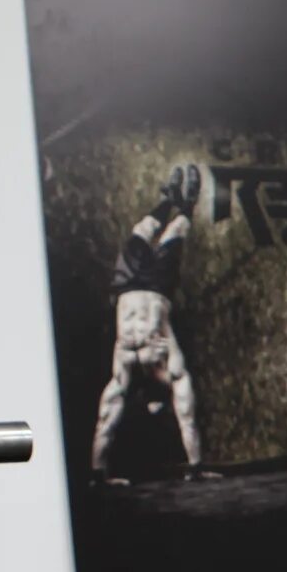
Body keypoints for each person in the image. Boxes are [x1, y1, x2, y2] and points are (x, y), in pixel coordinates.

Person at [90, 166, 206, 486]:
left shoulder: (123, 364)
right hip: (157, 288)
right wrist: (196, 466)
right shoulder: (171, 361)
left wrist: (99, 474)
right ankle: (187, 205)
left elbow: (107, 416)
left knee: (141, 231)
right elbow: (187, 415)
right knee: (175, 231)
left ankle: (168, 199)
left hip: (126, 287)